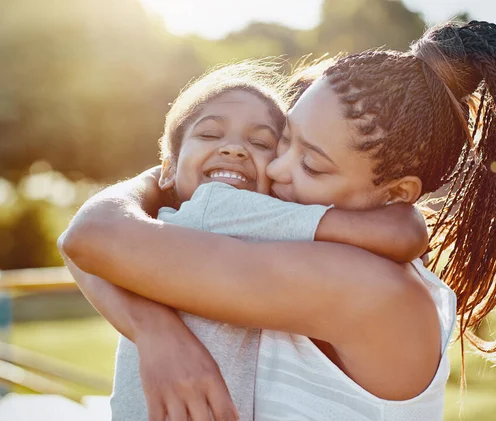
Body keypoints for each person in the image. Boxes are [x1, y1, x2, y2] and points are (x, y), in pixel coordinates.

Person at [61, 20, 496, 420]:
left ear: (396, 194)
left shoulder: (361, 287)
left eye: (312, 164)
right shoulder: (303, 240)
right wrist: (155, 331)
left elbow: (96, 238)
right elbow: (101, 246)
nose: (274, 167)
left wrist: (153, 185)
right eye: (285, 137)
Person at [60, 61, 428, 421]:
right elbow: (83, 240)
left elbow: (81, 240)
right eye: (209, 134)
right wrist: (154, 330)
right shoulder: (213, 208)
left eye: (261, 142)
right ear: (170, 167)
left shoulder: (161, 226)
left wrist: (164, 175)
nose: (234, 149)